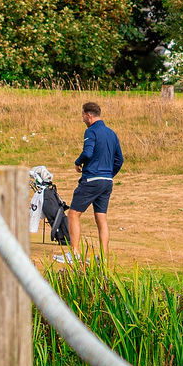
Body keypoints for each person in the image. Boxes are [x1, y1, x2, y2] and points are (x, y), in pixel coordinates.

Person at [64, 101, 122, 262]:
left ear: (89, 115)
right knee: (101, 217)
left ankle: (74, 253)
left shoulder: (91, 131)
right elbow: (119, 159)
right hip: (107, 181)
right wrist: (109, 174)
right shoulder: (112, 133)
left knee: (73, 214)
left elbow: (87, 153)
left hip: (92, 179)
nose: (82, 118)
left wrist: (77, 162)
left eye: (83, 115)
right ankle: (103, 257)